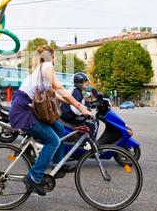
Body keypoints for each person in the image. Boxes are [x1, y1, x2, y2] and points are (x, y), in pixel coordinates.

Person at [9, 45, 92, 196]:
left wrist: (74, 104)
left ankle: (58, 164)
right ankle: (34, 176)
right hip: (23, 111)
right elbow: (59, 87)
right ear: (52, 57)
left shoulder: (41, 70)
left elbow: (55, 95)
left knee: (59, 129)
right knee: (53, 141)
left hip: (27, 109)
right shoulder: (46, 66)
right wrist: (80, 107)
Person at [60, 73, 99, 142]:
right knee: (93, 122)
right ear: (80, 82)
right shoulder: (77, 93)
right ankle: (91, 143)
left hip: (65, 115)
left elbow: (79, 103)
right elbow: (75, 109)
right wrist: (85, 111)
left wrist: (88, 104)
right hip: (70, 116)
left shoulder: (74, 90)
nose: (86, 84)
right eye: (85, 82)